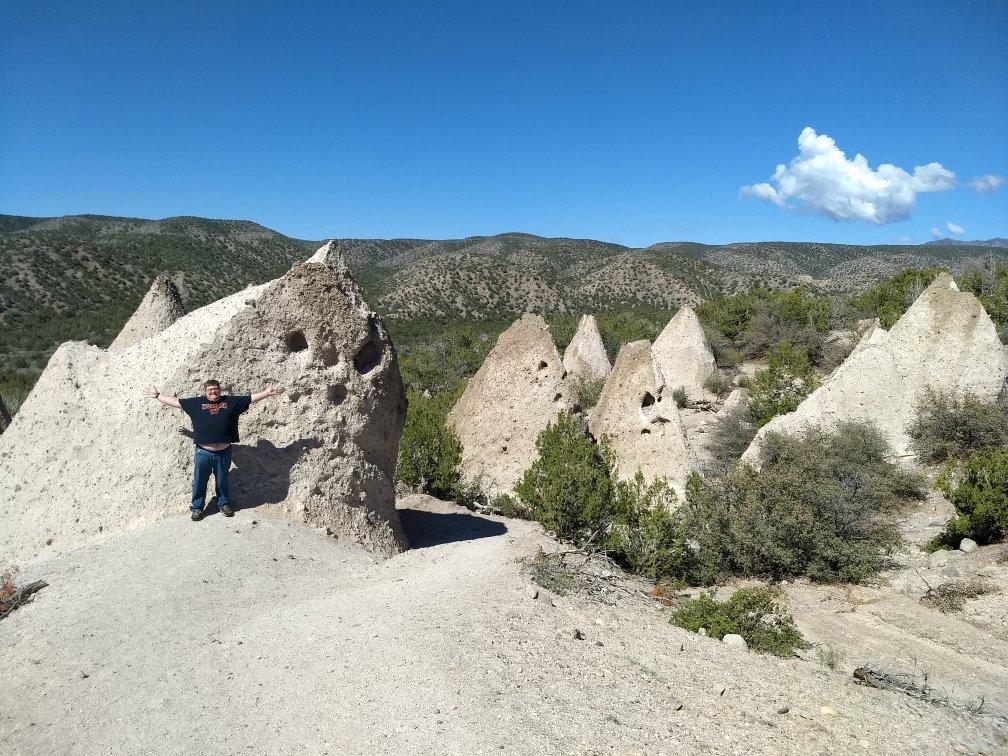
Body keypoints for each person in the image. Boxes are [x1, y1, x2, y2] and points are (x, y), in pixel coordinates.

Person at [145, 380, 282, 521]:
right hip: (203, 453)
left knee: (222, 480)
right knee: (199, 481)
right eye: (209, 390)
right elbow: (177, 402)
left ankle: (223, 504)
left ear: (220, 389)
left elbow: (250, 398)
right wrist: (158, 396)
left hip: (224, 452)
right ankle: (197, 508)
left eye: (215, 389)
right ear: (205, 391)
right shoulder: (196, 403)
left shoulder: (231, 402)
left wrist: (266, 393)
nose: (213, 392)